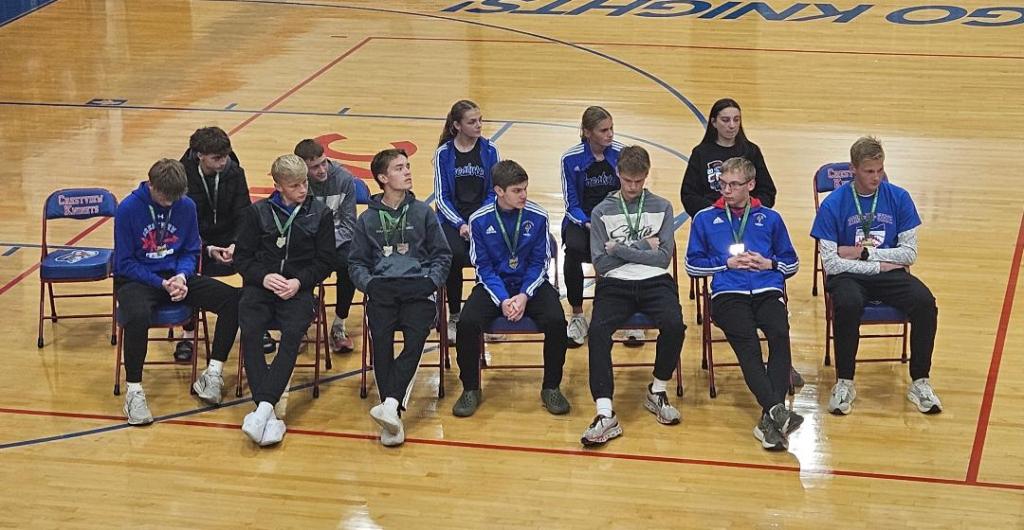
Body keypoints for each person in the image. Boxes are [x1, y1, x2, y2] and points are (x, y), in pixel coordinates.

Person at [810, 136, 941, 416]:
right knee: (847, 304)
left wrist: (862, 254)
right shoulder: (834, 204)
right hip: (848, 278)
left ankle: (920, 380)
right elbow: (832, 264)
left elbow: (909, 255)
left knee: (925, 302)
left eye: (880, 170)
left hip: (883, 274)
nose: (876, 177)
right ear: (854, 169)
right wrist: (878, 264)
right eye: (870, 171)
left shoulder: (899, 197)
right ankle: (845, 381)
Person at [679, 98, 804, 387]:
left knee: (777, 325)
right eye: (725, 119)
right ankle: (771, 392)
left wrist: (752, 212)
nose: (732, 125)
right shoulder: (702, 153)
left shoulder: (751, 151)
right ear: (713, 122)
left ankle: (779, 369)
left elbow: (768, 190)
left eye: (736, 119)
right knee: (745, 331)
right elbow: (688, 195)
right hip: (722, 248)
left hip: (757, 257)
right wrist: (719, 212)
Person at [685, 157, 803, 450]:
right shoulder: (704, 218)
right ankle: (777, 410)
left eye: (734, 185)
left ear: (750, 185)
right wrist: (725, 264)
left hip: (766, 290)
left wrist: (769, 263)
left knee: (779, 334)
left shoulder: (771, 218)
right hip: (728, 297)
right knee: (748, 343)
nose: (726, 190)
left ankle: (771, 418)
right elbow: (691, 265)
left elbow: (792, 263)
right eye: (722, 184)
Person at [113, 159, 241, 425]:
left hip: (177, 276)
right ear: (151, 185)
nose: (170, 203)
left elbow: (191, 249)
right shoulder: (128, 209)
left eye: (175, 198)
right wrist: (161, 283)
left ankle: (213, 372)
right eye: (164, 197)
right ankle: (134, 390)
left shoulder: (186, 205)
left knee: (233, 300)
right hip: (139, 280)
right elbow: (124, 263)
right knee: (136, 316)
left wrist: (182, 275)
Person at [580, 146, 685, 448]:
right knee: (598, 331)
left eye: (639, 182)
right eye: (628, 181)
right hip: (614, 285)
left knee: (675, 325)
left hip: (656, 282)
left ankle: (658, 390)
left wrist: (620, 249)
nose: (633, 188)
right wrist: (643, 246)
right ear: (618, 174)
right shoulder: (601, 211)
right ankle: (603, 413)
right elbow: (601, 264)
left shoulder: (662, 207)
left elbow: (663, 259)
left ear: (646, 176)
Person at [350, 148, 452, 447]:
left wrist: (431, 281)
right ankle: (391, 409)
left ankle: (390, 408)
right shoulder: (367, 219)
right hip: (382, 288)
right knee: (380, 339)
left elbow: (442, 254)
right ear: (383, 178)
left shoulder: (422, 212)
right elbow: (355, 263)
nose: (407, 172)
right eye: (399, 168)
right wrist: (369, 285)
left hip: (417, 288)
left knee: (416, 337)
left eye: (407, 166)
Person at [451, 160, 569, 417]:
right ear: (499, 191)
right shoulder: (479, 220)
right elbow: (482, 267)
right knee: (467, 322)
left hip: (530, 286)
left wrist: (524, 295)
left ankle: (551, 387)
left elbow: (540, 263)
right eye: (517, 190)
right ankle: (470, 388)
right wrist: (504, 300)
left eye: (525, 188)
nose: (524, 195)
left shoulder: (538, 216)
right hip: (495, 286)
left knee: (557, 320)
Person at [234, 154, 336, 446]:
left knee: (292, 334)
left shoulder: (320, 214)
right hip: (261, 287)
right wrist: (263, 277)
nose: (303, 189)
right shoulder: (258, 214)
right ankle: (268, 413)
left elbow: (326, 261)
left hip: (297, 290)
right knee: (251, 330)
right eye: (294, 185)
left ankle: (261, 409)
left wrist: (299, 282)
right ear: (278, 185)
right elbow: (242, 259)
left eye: (304, 182)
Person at [177, 126, 276, 360]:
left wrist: (236, 244)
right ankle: (188, 334)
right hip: (198, 240)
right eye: (217, 158)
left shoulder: (235, 172)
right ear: (199, 155)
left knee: (257, 262)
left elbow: (244, 213)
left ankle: (256, 326)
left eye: (225, 156)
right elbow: (183, 222)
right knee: (186, 267)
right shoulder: (181, 175)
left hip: (231, 239)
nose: (224, 162)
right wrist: (207, 248)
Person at [560, 106, 642, 348]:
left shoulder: (621, 154)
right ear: (587, 132)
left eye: (612, 129)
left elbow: (631, 193)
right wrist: (588, 223)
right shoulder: (570, 158)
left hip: (617, 218)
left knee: (630, 246)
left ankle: (628, 313)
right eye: (604, 130)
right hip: (582, 220)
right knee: (573, 250)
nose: (610, 135)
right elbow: (570, 203)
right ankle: (576, 315)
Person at [433, 100, 501, 344]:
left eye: (480, 120)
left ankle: (489, 311)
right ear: (457, 126)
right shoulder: (444, 153)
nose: (479, 125)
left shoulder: (490, 150)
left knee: (490, 254)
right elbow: (441, 197)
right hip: (453, 221)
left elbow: (495, 192)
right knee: (452, 256)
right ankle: (454, 315)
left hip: (482, 218)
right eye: (472, 122)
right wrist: (460, 224)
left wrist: (476, 221)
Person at [294, 138, 358, 353]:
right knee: (294, 265)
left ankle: (339, 324)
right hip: (308, 244)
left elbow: (349, 226)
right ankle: (299, 322)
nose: (322, 170)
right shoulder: (295, 183)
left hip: (337, 241)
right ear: (302, 169)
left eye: (323, 163)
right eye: (314, 167)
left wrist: (326, 246)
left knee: (350, 265)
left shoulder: (344, 179)